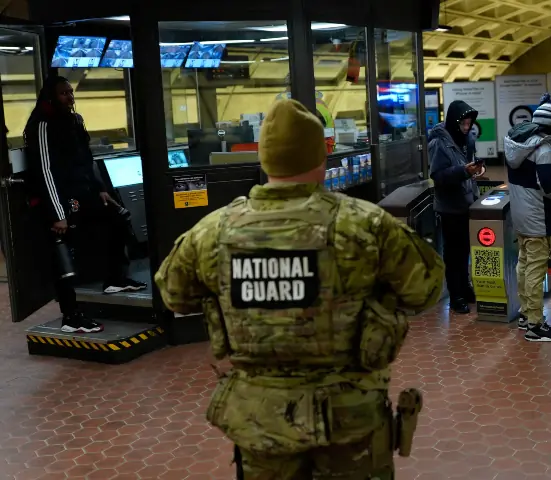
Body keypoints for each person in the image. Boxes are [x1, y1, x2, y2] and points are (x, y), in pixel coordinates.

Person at [155, 99, 444, 480]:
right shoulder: (364, 224)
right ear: (319, 160)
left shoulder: (213, 232)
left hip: (260, 421)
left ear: (265, 160)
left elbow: (175, 295)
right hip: (351, 420)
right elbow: (426, 289)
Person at [24, 76, 145, 333]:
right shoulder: (42, 125)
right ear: (51, 97)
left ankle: (115, 278)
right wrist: (57, 214)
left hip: (85, 191)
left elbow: (87, 157)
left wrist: (100, 189)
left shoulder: (75, 120)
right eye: (63, 94)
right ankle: (71, 316)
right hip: (61, 198)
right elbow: (45, 171)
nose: (70, 97)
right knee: (63, 257)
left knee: (117, 218)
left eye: (70, 92)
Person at [504, 93, 551, 342]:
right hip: (539, 218)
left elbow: (533, 177)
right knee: (536, 269)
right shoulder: (544, 149)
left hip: (520, 216)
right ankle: (536, 326)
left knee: (524, 265)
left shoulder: (517, 143)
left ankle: (527, 314)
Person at [429, 100, 482, 314]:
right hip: (450, 206)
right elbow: (438, 176)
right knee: (453, 253)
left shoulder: (467, 139)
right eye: (464, 123)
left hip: (467, 201)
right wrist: (463, 171)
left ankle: (465, 286)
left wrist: (476, 169)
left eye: (470, 123)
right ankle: (455, 295)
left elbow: (467, 162)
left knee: (465, 250)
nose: (467, 127)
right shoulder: (439, 142)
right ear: (454, 121)